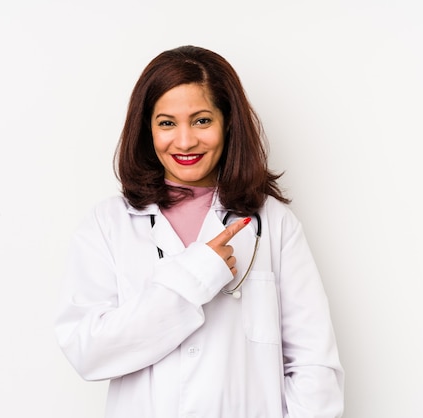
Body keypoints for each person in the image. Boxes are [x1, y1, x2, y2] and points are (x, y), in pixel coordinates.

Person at [55, 45, 344, 418]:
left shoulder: (272, 222)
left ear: (227, 123)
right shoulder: (108, 224)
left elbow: (313, 363)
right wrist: (195, 276)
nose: (186, 141)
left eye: (202, 120)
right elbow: (87, 351)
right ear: (147, 130)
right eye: (167, 123)